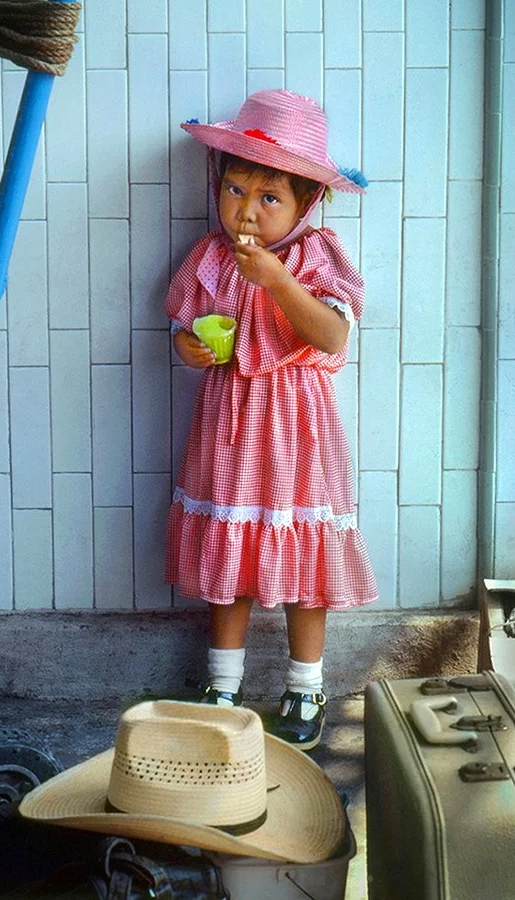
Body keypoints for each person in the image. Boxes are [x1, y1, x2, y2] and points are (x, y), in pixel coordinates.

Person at [165, 89, 378, 750]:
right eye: (235, 191)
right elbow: (181, 331)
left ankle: (306, 686)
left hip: (297, 429)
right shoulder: (208, 257)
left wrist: (277, 282)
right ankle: (222, 684)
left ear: (305, 204)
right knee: (229, 549)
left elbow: (331, 336)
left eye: (268, 198)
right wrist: (190, 348)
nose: (246, 212)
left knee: (302, 556)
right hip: (229, 425)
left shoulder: (316, 259)